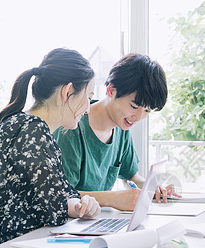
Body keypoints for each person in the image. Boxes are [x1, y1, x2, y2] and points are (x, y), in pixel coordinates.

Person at [0, 48, 101, 248]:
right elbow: (53, 210)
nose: (88, 108)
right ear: (68, 91)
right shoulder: (32, 129)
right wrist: (75, 205)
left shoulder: (24, 124)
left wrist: (81, 205)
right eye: (88, 97)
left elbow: (53, 198)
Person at [54, 53, 171, 211]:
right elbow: (61, 194)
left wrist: (150, 188)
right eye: (134, 106)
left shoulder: (121, 128)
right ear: (111, 90)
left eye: (147, 110)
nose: (138, 117)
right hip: (69, 225)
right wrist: (114, 199)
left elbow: (130, 176)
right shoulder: (72, 128)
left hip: (95, 220)